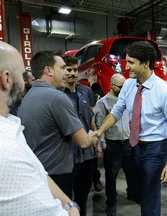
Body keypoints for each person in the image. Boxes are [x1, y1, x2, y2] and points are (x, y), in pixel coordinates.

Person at [0, 36, 79, 216]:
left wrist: (68, 204)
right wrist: (73, 209)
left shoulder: (2, 126)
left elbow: (39, 172)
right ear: (6, 79)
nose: (25, 82)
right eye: (22, 75)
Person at [94, 41, 167, 216]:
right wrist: (99, 131)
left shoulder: (164, 91)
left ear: (146, 63)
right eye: (126, 61)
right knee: (140, 189)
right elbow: (117, 111)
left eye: (131, 62)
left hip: (155, 148)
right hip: (134, 146)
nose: (126, 67)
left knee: (150, 193)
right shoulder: (128, 85)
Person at [18, 51, 97, 199]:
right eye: (62, 68)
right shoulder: (57, 98)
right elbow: (83, 141)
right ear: (49, 70)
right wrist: (93, 136)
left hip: (37, 172)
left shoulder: (27, 97)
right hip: (57, 175)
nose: (66, 72)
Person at [62, 55, 102, 216]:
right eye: (68, 70)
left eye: (75, 70)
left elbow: (91, 120)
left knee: (83, 195)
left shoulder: (86, 92)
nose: (72, 73)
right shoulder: (58, 94)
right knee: (66, 198)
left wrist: (97, 144)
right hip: (68, 154)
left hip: (87, 155)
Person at [95, 74, 135, 216]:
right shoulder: (103, 102)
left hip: (128, 143)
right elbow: (100, 125)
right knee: (111, 177)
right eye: (120, 86)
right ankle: (111, 203)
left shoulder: (127, 100)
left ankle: (132, 193)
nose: (124, 89)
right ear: (112, 85)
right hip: (113, 145)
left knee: (132, 172)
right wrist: (103, 145)